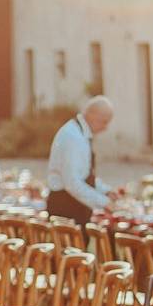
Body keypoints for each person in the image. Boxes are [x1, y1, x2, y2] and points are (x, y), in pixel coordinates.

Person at [45, 96, 116, 226]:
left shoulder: (79, 133)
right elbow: (73, 183)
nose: (105, 128)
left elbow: (84, 173)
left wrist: (105, 190)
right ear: (92, 115)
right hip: (66, 207)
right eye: (104, 122)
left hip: (74, 205)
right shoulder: (73, 137)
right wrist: (105, 202)